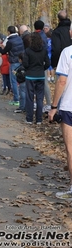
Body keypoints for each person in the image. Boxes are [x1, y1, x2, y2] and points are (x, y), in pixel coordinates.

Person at [48, 24, 72, 200]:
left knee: (71, 150)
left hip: (69, 107)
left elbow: (62, 81)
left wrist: (54, 106)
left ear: (71, 33)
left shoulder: (67, 52)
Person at [22, 32, 50, 124]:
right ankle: (39, 119)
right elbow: (48, 63)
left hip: (30, 75)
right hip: (40, 75)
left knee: (30, 97)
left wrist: (28, 69)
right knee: (39, 98)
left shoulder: (28, 50)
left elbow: (25, 64)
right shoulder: (44, 50)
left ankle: (29, 118)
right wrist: (42, 68)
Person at [0, 25, 24, 106]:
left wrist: (1, 46)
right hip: (21, 61)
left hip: (13, 62)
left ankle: (16, 99)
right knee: (21, 80)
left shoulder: (10, 41)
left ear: (9, 32)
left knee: (14, 81)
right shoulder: (20, 38)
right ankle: (22, 99)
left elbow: (4, 51)